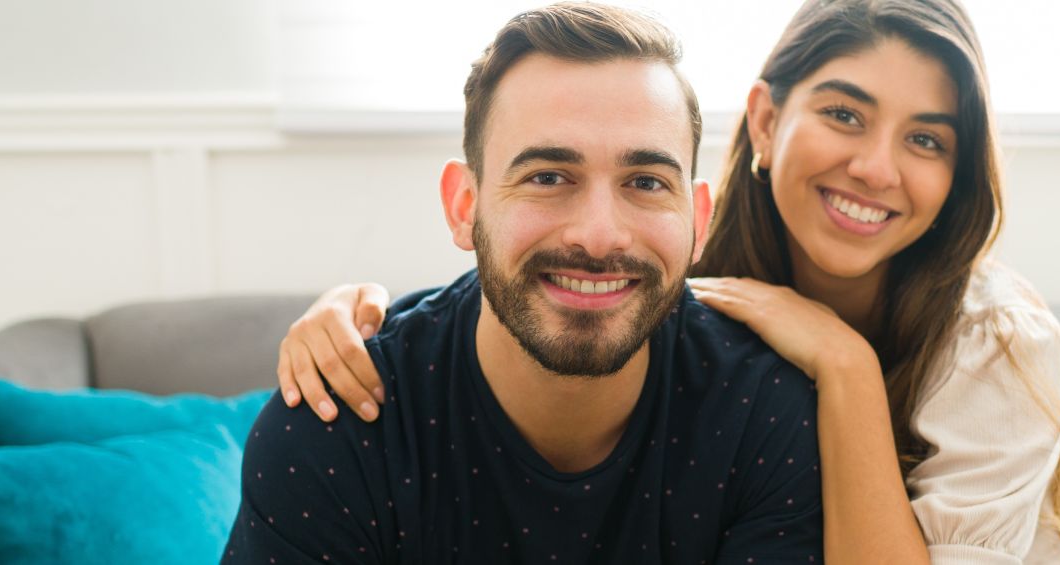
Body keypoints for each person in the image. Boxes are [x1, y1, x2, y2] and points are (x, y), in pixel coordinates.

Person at [279, 0, 1060, 563]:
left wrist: (846, 367)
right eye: (844, 113)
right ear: (766, 120)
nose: (876, 166)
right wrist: (354, 313)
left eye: (927, 139)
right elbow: (536, 281)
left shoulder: (994, 340)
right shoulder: (689, 278)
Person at [220, 3, 825, 564]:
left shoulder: (766, 415)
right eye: (548, 177)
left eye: (645, 183)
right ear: (464, 206)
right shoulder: (331, 432)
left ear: (698, 221)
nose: (599, 236)